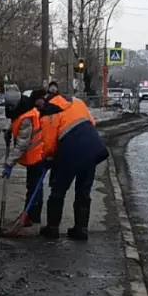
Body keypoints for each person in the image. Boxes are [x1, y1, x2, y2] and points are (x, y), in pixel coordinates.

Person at [38, 89, 109, 240]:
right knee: (84, 191)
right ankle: (81, 229)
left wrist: (48, 159)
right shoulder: (77, 102)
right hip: (92, 148)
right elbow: (92, 122)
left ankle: (52, 228)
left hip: (70, 152)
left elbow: (49, 145)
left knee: (58, 190)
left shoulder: (49, 113)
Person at [4, 89, 47, 226]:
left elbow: (22, 145)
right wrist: (10, 130)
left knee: (34, 188)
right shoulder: (23, 110)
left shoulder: (27, 117)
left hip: (38, 156)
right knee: (33, 187)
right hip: (34, 156)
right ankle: (29, 216)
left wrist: (9, 163)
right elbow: (16, 121)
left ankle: (31, 217)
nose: (10, 109)